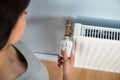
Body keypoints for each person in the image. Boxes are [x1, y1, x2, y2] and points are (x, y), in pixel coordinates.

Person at [0, 0, 75, 80]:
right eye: (21, 12)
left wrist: (67, 72)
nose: (26, 14)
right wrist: (67, 76)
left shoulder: (12, 43)